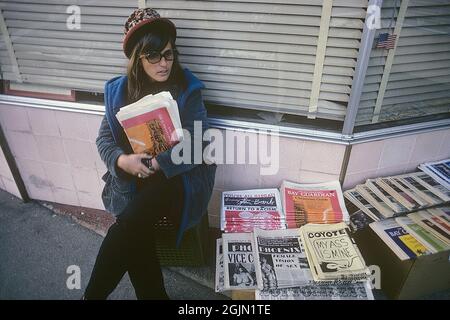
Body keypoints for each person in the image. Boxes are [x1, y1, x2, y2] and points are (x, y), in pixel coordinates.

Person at [83, 7, 216, 300]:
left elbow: (199, 142)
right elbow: (104, 138)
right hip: (135, 177)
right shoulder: (119, 92)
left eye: (168, 54)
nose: (164, 63)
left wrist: (158, 162)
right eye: (153, 56)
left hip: (175, 179)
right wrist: (121, 161)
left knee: (128, 226)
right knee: (135, 230)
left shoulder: (187, 87)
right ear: (137, 59)